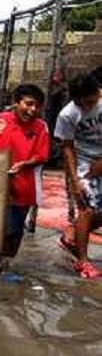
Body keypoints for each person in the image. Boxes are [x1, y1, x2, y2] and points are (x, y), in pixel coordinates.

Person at [0, 84, 50, 274]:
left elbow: (42, 156)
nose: (33, 109)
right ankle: (1, 264)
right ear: (16, 103)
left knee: (15, 228)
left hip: (24, 184)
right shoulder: (0, 120)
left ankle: (6, 264)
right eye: (28, 104)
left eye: (37, 106)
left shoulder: (41, 127)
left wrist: (23, 164)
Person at [54, 73, 102, 279]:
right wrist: (75, 180)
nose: (87, 107)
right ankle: (82, 260)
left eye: (91, 102)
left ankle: (73, 234)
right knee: (86, 206)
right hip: (84, 160)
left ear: (98, 92)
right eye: (82, 104)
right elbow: (67, 147)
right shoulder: (67, 114)